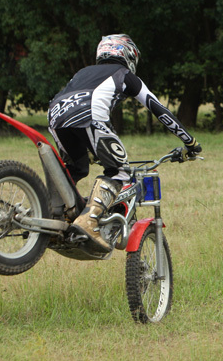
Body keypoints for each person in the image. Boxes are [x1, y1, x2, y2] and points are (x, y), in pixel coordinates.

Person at [48, 34, 201, 252]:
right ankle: (89, 221)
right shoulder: (124, 74)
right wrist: (190, 141)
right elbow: (157, 108)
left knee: (76, 167)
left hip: (55, 116)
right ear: (128, 54)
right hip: (88, 115)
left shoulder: (82, 73)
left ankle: (57, 214)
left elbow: (66, 99)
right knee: (119, 171)